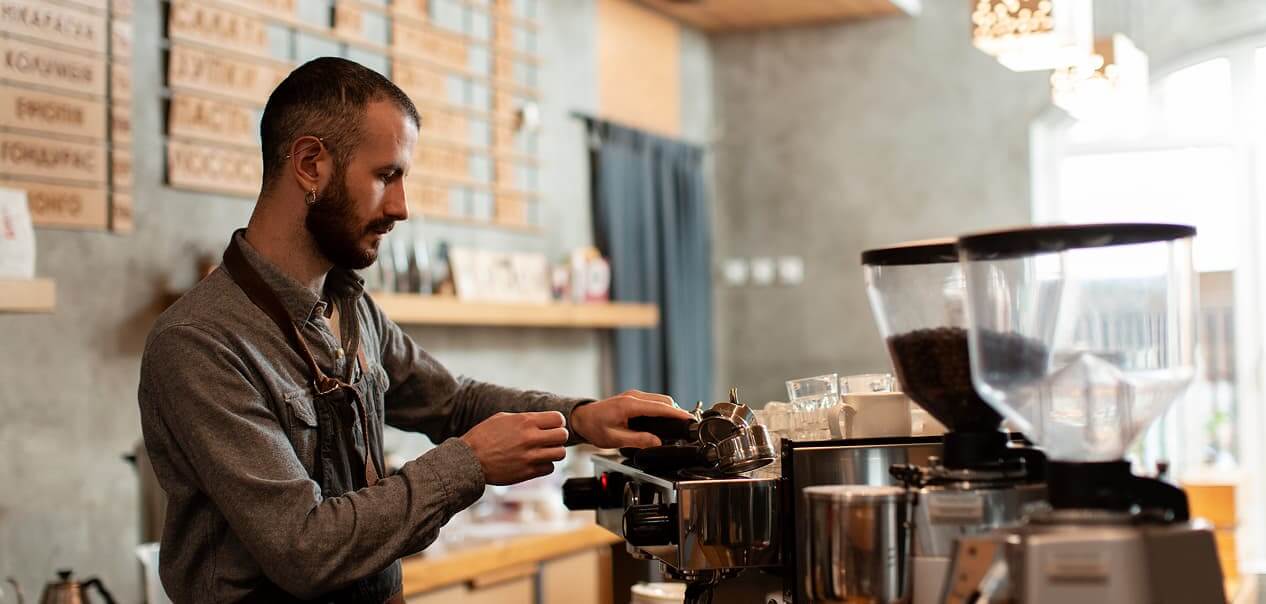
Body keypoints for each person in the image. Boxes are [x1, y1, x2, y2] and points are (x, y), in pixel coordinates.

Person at [137, 57, 690, 603]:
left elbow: (452, 402)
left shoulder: (352, 307)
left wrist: (580, 418)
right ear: (309, 164)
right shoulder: (199, 342)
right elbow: (303, 547)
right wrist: (469, 463)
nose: (402, 207)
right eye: (386, 176)